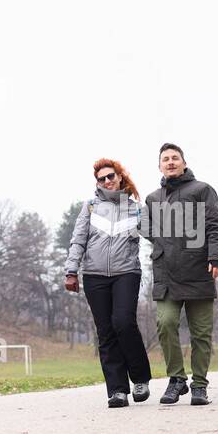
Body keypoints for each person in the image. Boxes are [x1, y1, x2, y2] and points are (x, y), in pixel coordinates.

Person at [142, 142, 218, 405]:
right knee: (166, 323)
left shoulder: (202, 190)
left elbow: (216, 225)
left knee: (201, 332)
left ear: (184, 163)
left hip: (199, 271)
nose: (170, 162)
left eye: (175, 158)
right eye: (165, 159)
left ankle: (199, 385)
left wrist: (216, 256)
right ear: (159, 166)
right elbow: (146, 229)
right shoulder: (153, 199)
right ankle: (176, 379)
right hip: (166, 273)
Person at [63, 158, 153, 408]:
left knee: (123, 323)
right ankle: (117, 390)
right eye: (101, 178)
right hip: (94, 276)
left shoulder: (135, 208)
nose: (106, 181)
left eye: (110, 176)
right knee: (106, 332)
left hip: (127, 273)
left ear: (120, 176)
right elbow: (78, 240)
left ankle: (140, 379)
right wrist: (71, 271)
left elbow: (157, 236)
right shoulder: (90, 207)